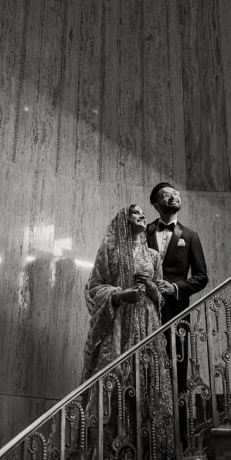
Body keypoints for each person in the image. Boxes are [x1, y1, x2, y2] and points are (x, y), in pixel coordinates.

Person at [81, 204, 169, 381]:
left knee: (146, 374)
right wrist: (120, 296)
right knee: (117, 375)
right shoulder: (111, 251)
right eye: (136, 213)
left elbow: (161, 300)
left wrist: (150, 286)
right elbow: (94, 288)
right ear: (125, 219)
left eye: (144, 213)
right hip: (118, 322)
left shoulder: (154, 256)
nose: (143, 216)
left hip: (147, 322)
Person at [146, 183, 209, 427]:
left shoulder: (191, 236)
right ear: (155, 203)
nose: (173, 197)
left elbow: (201, 277)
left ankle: (178, 431)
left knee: (176, 368)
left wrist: (175, 288)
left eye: (176, 194)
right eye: (166, 194)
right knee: (145, 365)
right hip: (144, 309)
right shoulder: (144, 231)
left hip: (176, 312)